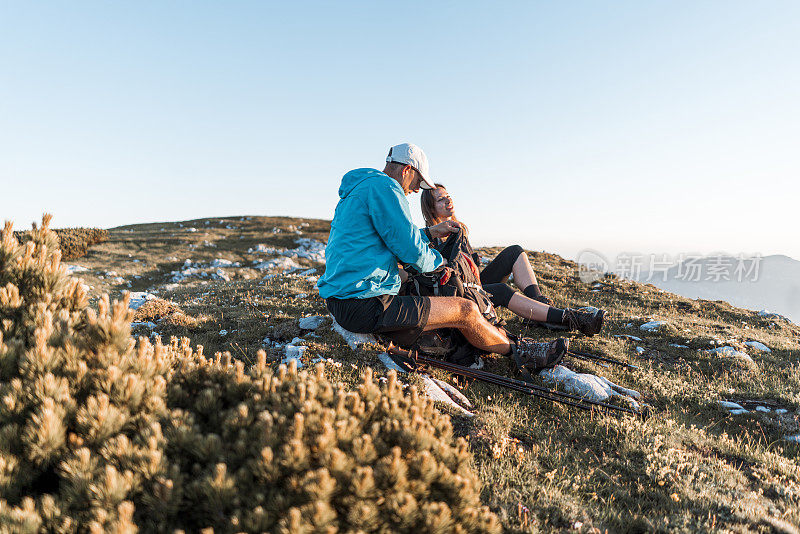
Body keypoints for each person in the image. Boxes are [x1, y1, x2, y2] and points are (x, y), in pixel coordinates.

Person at [317, 143, 569, 373]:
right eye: (418, 182)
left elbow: (390, 234)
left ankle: (506, 340)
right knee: (465, 309)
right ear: (407, 169)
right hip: (364, 304)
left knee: (420, 294)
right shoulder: (387, 188)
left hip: (342, 299)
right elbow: (410, 250)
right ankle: (521, 352)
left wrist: (429, 232)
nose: (416, 190)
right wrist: (440, 265)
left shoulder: (364, 187)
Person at [420, 183, 605, 335]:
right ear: (431, 208)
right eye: (440, 199)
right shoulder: (432, 238)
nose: (448, 200)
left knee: (514, 251)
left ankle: (538, 304)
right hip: (461, 294)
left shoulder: (459, 229)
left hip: (475, 283)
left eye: (448, 195)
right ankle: (569, 318)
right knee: (500, 290)